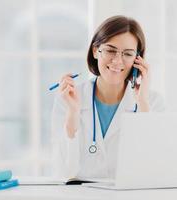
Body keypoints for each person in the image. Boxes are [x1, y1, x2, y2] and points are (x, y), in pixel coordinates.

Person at [51, 15, 165, 180]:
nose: (117, 61)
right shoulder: (67, 100)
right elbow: (62, 173)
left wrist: (143, 105)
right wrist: (73, 115)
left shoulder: (153, 103)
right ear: (95, 51)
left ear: (137, 60)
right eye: (111, 50)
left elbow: (154, 170)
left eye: (127, 54)